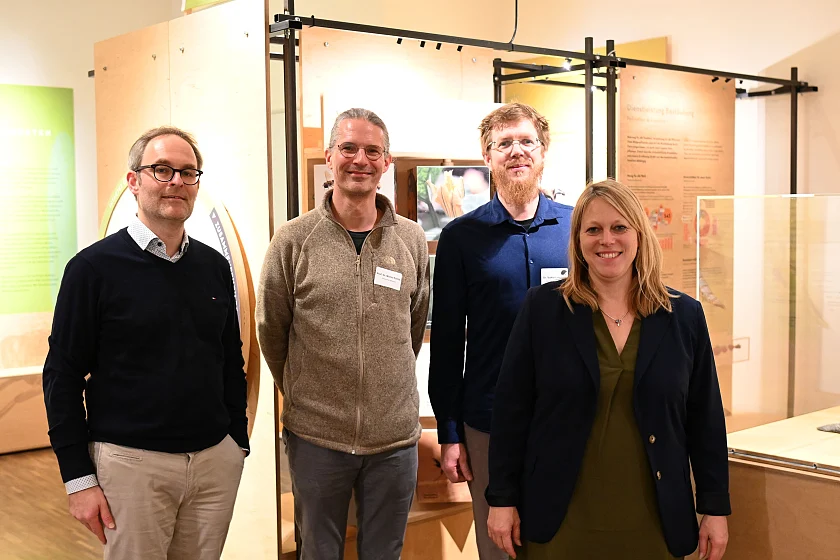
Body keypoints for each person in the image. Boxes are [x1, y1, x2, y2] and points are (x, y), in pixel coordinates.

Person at [486, 179, 730, 560]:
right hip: (562, 517)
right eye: (593, 230)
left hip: (655, 520)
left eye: (619, 228)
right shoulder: (544, 310)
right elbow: (510, 411)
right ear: (578, 240)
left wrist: (715, 507)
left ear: (639, 235)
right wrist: (501, 498)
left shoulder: (683, 315)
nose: (607, 240)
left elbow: (706, 421)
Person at [43, 126, 249, 560]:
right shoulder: (92, 270)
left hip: (214, 463)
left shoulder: (212, 267)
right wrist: (79, 479)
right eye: (162, 170)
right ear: (134, 181)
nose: (176, 181)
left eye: (188, 172)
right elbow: (61, 376)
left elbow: (230, 358)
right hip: (132, 466)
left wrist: (237, 441)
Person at [256, 108, 430, 559]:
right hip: (317, 438)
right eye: (349, 148)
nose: (360, 159)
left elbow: (413, 327)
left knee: (383, 552)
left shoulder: (410, 240)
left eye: (373, 151)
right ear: (330, 157)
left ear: (386, 163)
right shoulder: (292, 240)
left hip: (394, 441)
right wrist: (304, 390)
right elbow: (271, 331)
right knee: (318, 550)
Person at [429, 103, 573, 559]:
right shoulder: (460, 238)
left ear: (543, 151)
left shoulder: (576, 229)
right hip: (489, 423)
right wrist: (450, 434)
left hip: (568, 416)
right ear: (487, 158)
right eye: (503, 143)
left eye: (526, 141)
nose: (516, 151)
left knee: (566, 539)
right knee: (501, 545)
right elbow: (448, 345)